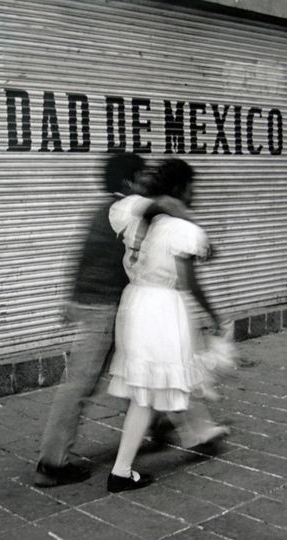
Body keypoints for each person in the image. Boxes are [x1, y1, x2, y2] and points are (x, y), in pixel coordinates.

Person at [35, 153, 193, 488]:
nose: (146, 182)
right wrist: (178, 209)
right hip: (104, 309)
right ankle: (53, 461)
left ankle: (156, 424)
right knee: (81, 384)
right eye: (142, 177)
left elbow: (80, 256)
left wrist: (71, 299)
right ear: (128, 182)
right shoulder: (130, 205)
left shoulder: (101, 211)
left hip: (97, 304)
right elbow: (162, 208)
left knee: (133, 369)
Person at [106, 158, 229, 493]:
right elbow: (193, 281)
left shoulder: (136, 217)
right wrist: (214, 317)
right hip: (162, 310)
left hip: (135, 304)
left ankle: (194, 433)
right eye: (192, 186)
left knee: (152, 388)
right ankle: (121, 470)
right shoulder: (181, 230)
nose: (195, 193)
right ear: (180, 188)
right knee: (152, 391)